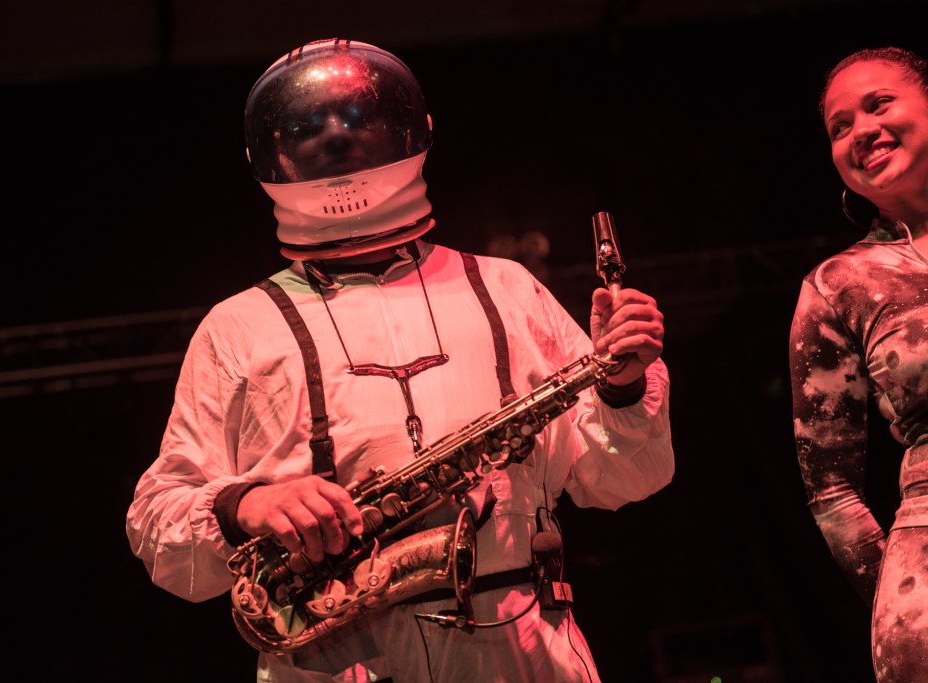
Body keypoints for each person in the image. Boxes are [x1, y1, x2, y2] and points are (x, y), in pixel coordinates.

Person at [126, 38, 675, 683]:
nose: (336, 140)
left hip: (521, 648)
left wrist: (621, 388)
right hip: (337, 657)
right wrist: (246, 505)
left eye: (357, 119)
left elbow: (624, 480)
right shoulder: (237, 326)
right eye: (310, 126)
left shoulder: (506, 287)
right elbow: (160, 523)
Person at [788, 46, 928, 682]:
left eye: (877, 104)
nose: (861, 130)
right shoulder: (840, 285)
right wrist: (907, 594)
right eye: (840, 126)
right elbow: (831, 489)